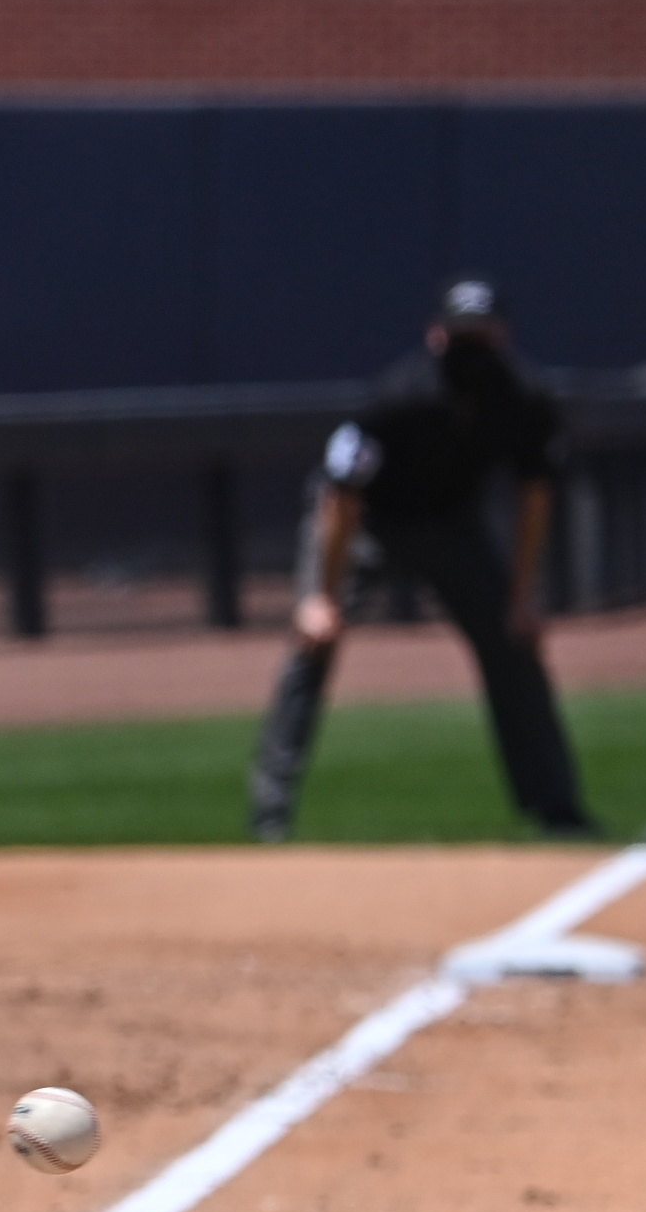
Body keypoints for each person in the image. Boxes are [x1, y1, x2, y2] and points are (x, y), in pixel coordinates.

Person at [250, 277, 599, 844]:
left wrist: (521, 598)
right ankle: (271, 810)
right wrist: (321, 597)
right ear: (436, 336)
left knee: (515, 643)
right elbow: (340, 496)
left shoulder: (523, 398)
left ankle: (556, 806)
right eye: (462, 336)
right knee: (313, 644)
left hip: (452, 527)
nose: (472, 349)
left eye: (481, 336)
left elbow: (537, 494)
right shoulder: (398, 395)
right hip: (368, 526)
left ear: (502, 336)